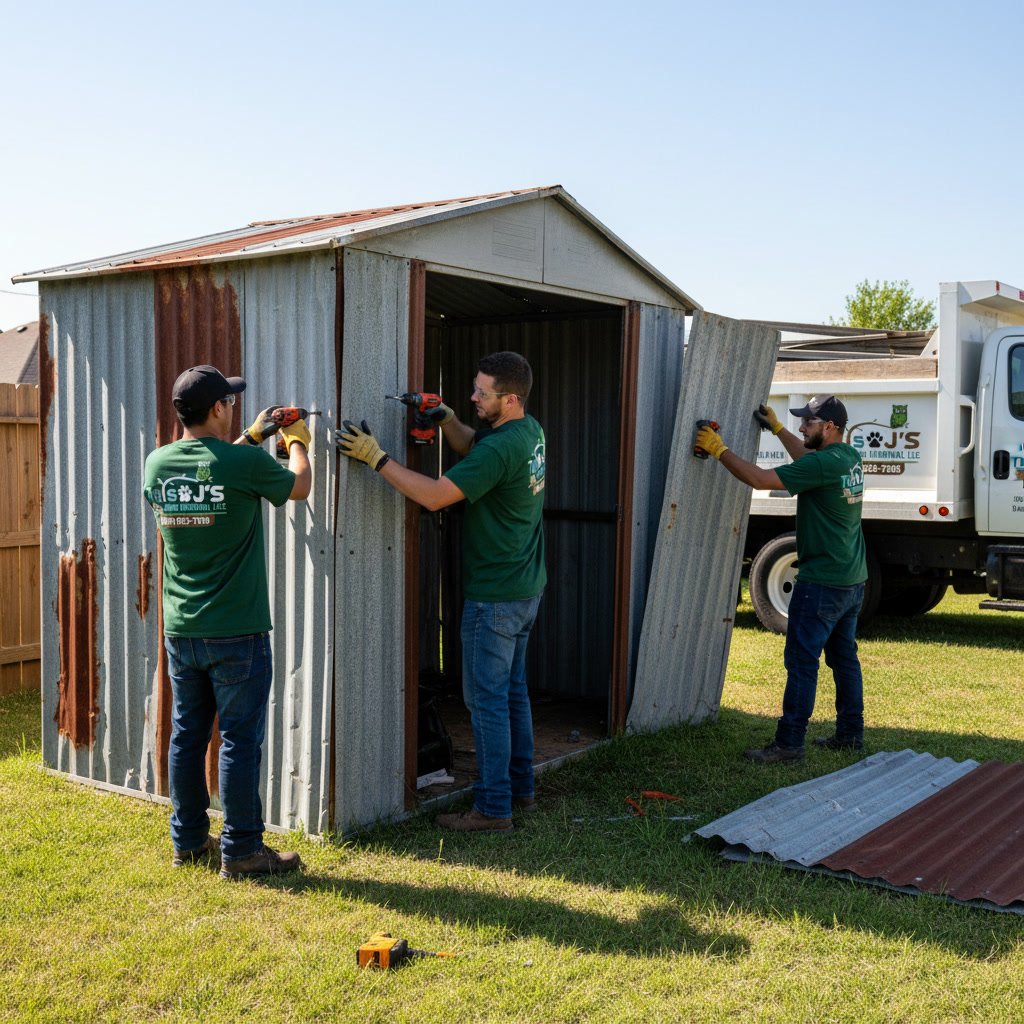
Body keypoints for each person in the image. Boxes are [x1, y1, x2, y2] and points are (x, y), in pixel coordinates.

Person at [337, 351, 546, 832]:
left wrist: (377, 458)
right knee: (512, 692)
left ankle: (494, 809)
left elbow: (433, 497)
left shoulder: (502, 448)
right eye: (473, 388)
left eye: (481, 393)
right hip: (526, 587)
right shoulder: (527, 431)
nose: (472, 397)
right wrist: (448, 419)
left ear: (509, 399)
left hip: (495, 596)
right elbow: (476, 445)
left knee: (487, 702)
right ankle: (521, 789)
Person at [143, 365, 312, 877]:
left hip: (181, 630)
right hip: (237, 631)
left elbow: (207, 472)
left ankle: (188, 841)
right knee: (239, 740)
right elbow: (299, 487)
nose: (233, 407)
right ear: (217, 409)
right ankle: (241, 851)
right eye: (230, 402)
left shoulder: (156, 464)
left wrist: (252, 435)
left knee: (187, 736)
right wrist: (295, 441)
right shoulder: (242, 464)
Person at [695, 394, 867, 763]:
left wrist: (718, 449)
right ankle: (851, 734)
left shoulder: (824, 464)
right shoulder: (847, 457)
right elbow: (808, 458)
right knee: (844, 659)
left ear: (830, 427)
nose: (802, 427)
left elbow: (759, 479)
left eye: (808, 422)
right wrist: (776, 430)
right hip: (851, 578)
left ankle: (789, 744)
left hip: (821, 582)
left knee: (802, 662)